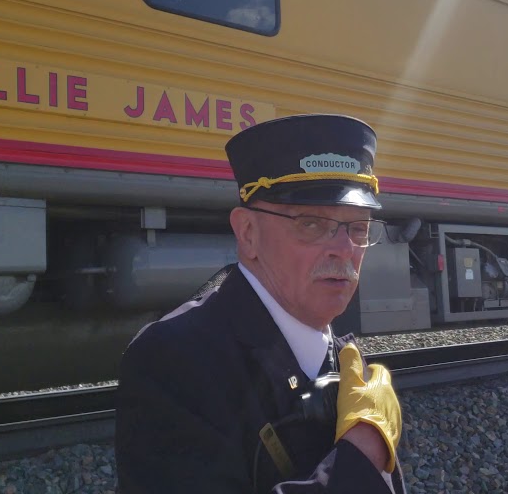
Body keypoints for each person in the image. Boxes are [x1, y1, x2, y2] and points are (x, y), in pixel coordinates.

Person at [116, 114, 406, 493]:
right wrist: (364, 449)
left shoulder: (344, 359)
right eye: (312, 224)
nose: (344, 249)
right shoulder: (172, 361)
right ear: (248, 234)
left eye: (359, 228)